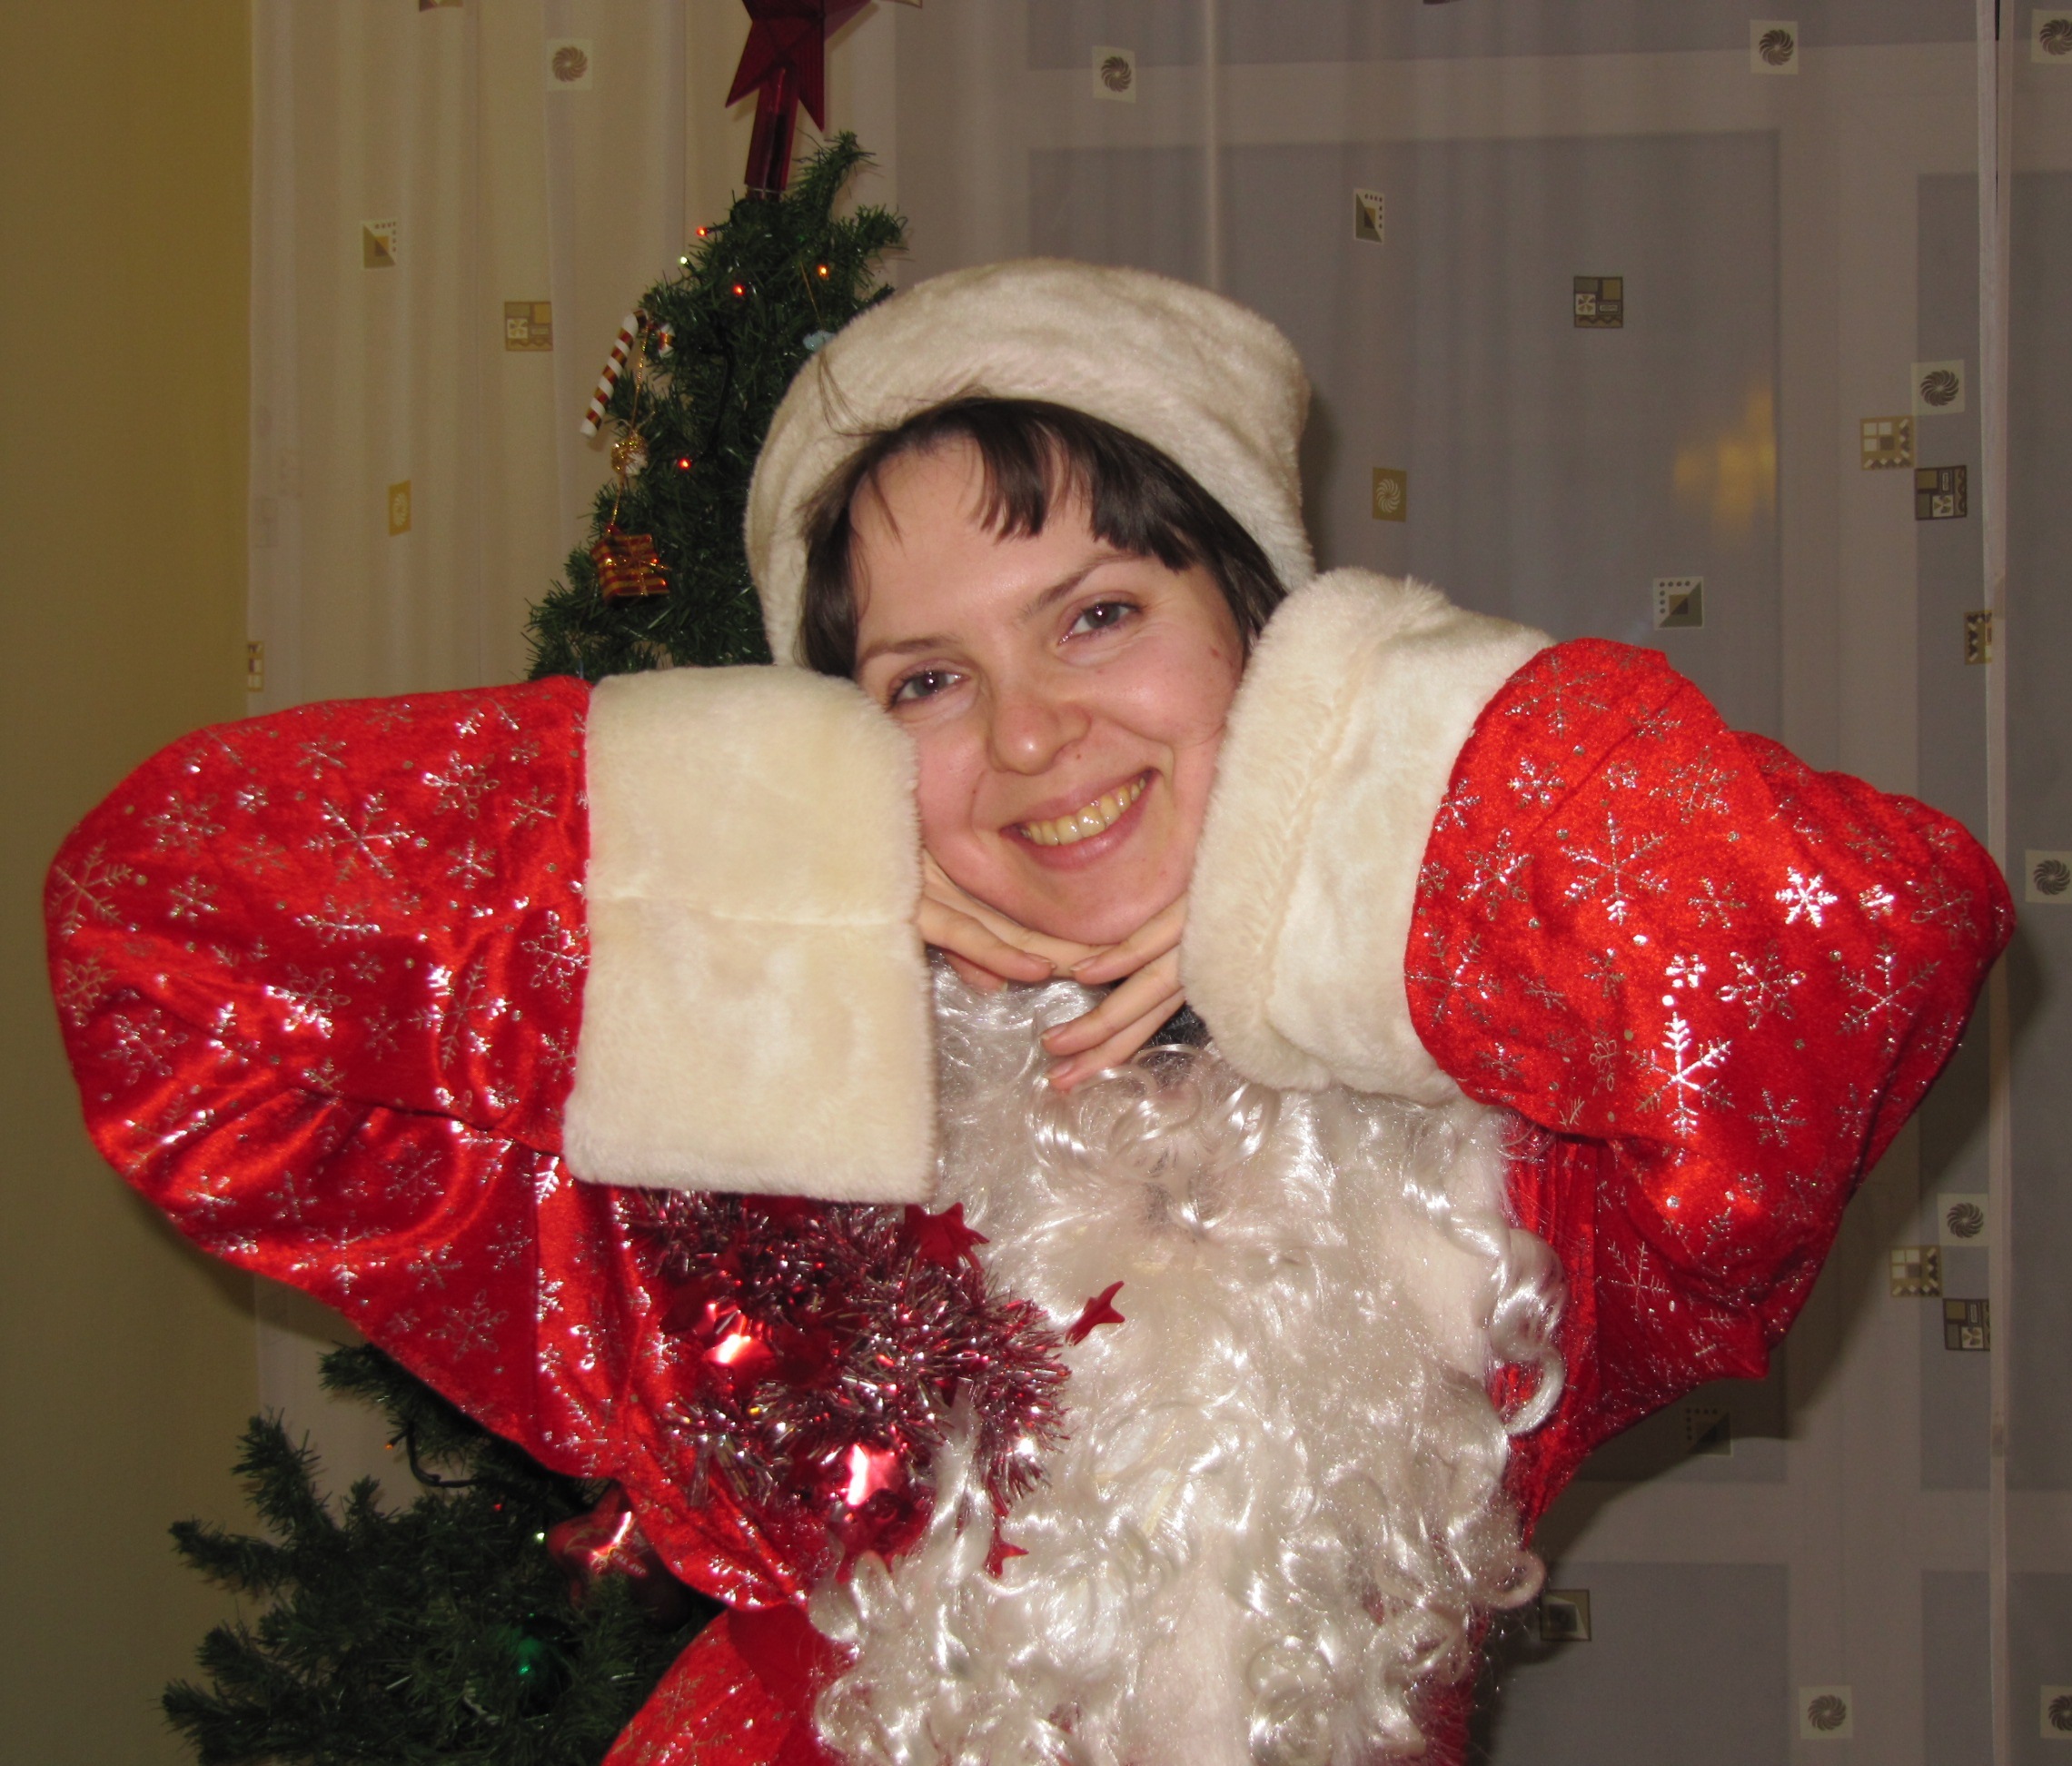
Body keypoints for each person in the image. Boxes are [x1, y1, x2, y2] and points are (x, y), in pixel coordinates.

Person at [46, 261, 2010, 1766]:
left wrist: (1345, 850)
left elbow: (1867, 930)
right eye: (922, 682)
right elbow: (151, 942)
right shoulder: (734, 1152)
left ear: (1273, 643)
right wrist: (744, 861)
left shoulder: (1531, 1158)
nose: (1031, 732)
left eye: (1098, 613)